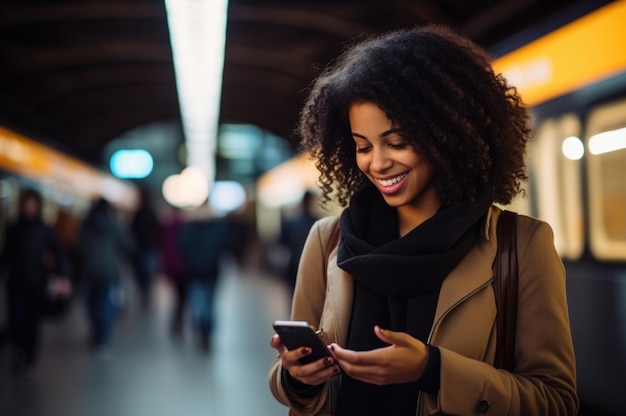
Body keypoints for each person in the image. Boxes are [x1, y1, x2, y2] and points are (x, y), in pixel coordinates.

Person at [268, 25, 579, 415]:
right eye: (363, 146)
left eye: (397, 142)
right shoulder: (328, 240)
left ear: (446, 136)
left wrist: (433, 370)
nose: (377, 163)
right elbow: (291, 384)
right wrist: (296, 375)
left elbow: (556, 400)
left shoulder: (520, 244)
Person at [0, 188, 71, 373]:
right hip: (15, 282)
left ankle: (30, 358)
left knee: (32, 321)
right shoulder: (13, 228)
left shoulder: (45, 230)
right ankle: (18, 349)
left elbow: (58, 254)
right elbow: (6, 255)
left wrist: (63, 276)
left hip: (36, 283)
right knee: (16, 318)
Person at [76, 198, 134, 350]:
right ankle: (103, 337)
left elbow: (79, 246)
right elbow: (129, 244)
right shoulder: (114, 224)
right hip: (109, 270)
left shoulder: (86, 224)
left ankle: (96, 328)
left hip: (90, 269)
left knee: (90, 303)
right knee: (105, 303)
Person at [178, 208, 230, 352]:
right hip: (210, 271)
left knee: (199, 304)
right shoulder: (218, 227)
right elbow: (224, 246)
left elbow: (183, 247)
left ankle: (201, 330)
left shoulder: (190, 228)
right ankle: (206, 333)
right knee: (209, 304)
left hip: (195, 271)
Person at [277, 191, 319, 293]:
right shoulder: (316, 223)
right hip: (311, 266)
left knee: (294, 294)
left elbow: (282, 242)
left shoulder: (292, 222)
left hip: (294, 265)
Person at [130, 187, 160, 309]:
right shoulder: (152, 212)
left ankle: (144, 292)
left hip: (141, 249)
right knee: (147, 273)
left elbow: (132, 230)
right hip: (149, 248)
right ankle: (145, 292)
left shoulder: (138, 213)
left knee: (141, 273)